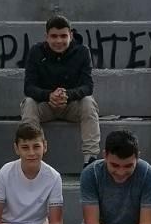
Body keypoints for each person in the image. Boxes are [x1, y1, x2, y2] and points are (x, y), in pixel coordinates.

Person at [22, 15, 100, 166]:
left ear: (71, 35)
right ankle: (33, 157)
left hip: (71, 105)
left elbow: (88, 86)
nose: (59, 41)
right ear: (47, 37)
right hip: (45, 105)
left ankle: (90, 160)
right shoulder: (36, 51)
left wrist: (67, 95)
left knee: (88, 102)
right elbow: (29, 87)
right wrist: (49, 95)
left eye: (63, 36)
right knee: (29, 103)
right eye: (54, 36)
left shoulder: (82, 52)